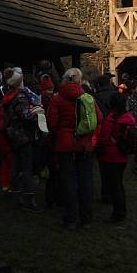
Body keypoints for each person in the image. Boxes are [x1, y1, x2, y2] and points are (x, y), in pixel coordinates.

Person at [47, 67, 102, 228]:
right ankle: (86, 218)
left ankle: (71, 218)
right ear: (79, 81)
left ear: (64, 80)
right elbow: (99, 118)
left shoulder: (57, 99)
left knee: (68, 180)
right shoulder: (87, 98)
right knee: (86, 180)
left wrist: (58, 135)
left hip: (65, 145)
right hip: (83, 144)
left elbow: (51, 123)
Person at [3, 67, 43, 211]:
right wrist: (37, 111)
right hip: (23, 136)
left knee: (16, 166)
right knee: (26, 168)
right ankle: (27, 199)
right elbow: (26, 115)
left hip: (14, 135)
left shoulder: (10, 95)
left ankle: (16, 195)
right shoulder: (20, 97)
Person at [97, 92, 137, 222]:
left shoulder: (110, 119)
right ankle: (120, 210)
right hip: (123, 154)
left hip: (111, 155)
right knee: (118, 183)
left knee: (115, 185)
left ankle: (119, 212)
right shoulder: (129, 118)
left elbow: (104, 137)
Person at [94, 73, 117, 203]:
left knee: (103, 166)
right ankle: (115, 193)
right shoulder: (115, 95)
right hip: (115, 130)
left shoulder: (96, 97)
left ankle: (106, 194)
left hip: (102, 131)